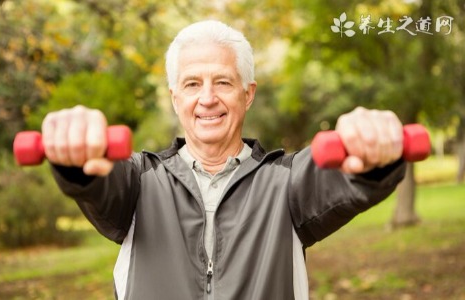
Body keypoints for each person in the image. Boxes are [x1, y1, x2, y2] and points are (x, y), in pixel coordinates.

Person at [43, 20, 406, 300]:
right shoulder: (138, 180)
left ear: (247, 95)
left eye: (223, 82)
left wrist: (370, 151)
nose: (207, 98)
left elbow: (343, 179)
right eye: (191, 84)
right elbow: (100, 183)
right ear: (175, 99)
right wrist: (77, 157)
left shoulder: (288, 182)